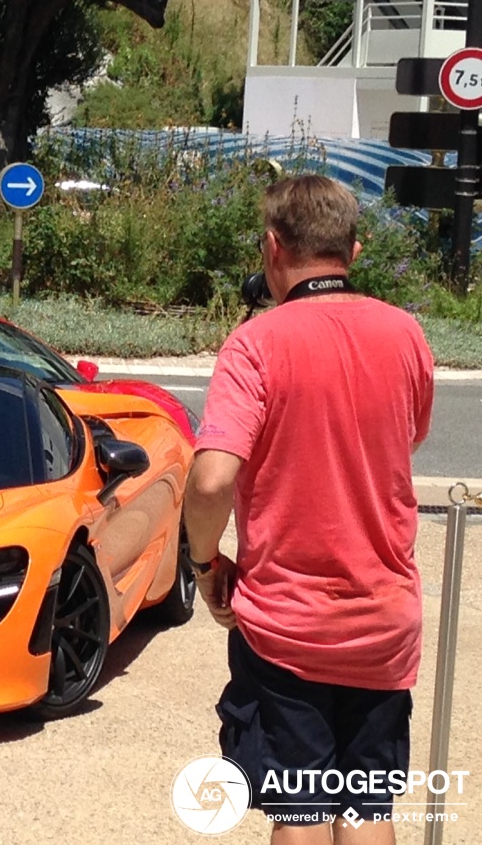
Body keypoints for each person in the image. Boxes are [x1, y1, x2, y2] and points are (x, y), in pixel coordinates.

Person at [184, 175, 435, 845]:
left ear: (272, 248)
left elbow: (210, 482)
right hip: (385, 620)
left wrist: (205, 565)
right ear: (355, 247)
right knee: (366, 809)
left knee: (301, 810)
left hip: (288, 624)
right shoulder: (406, 334)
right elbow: (404, 440)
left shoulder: (257, 345)